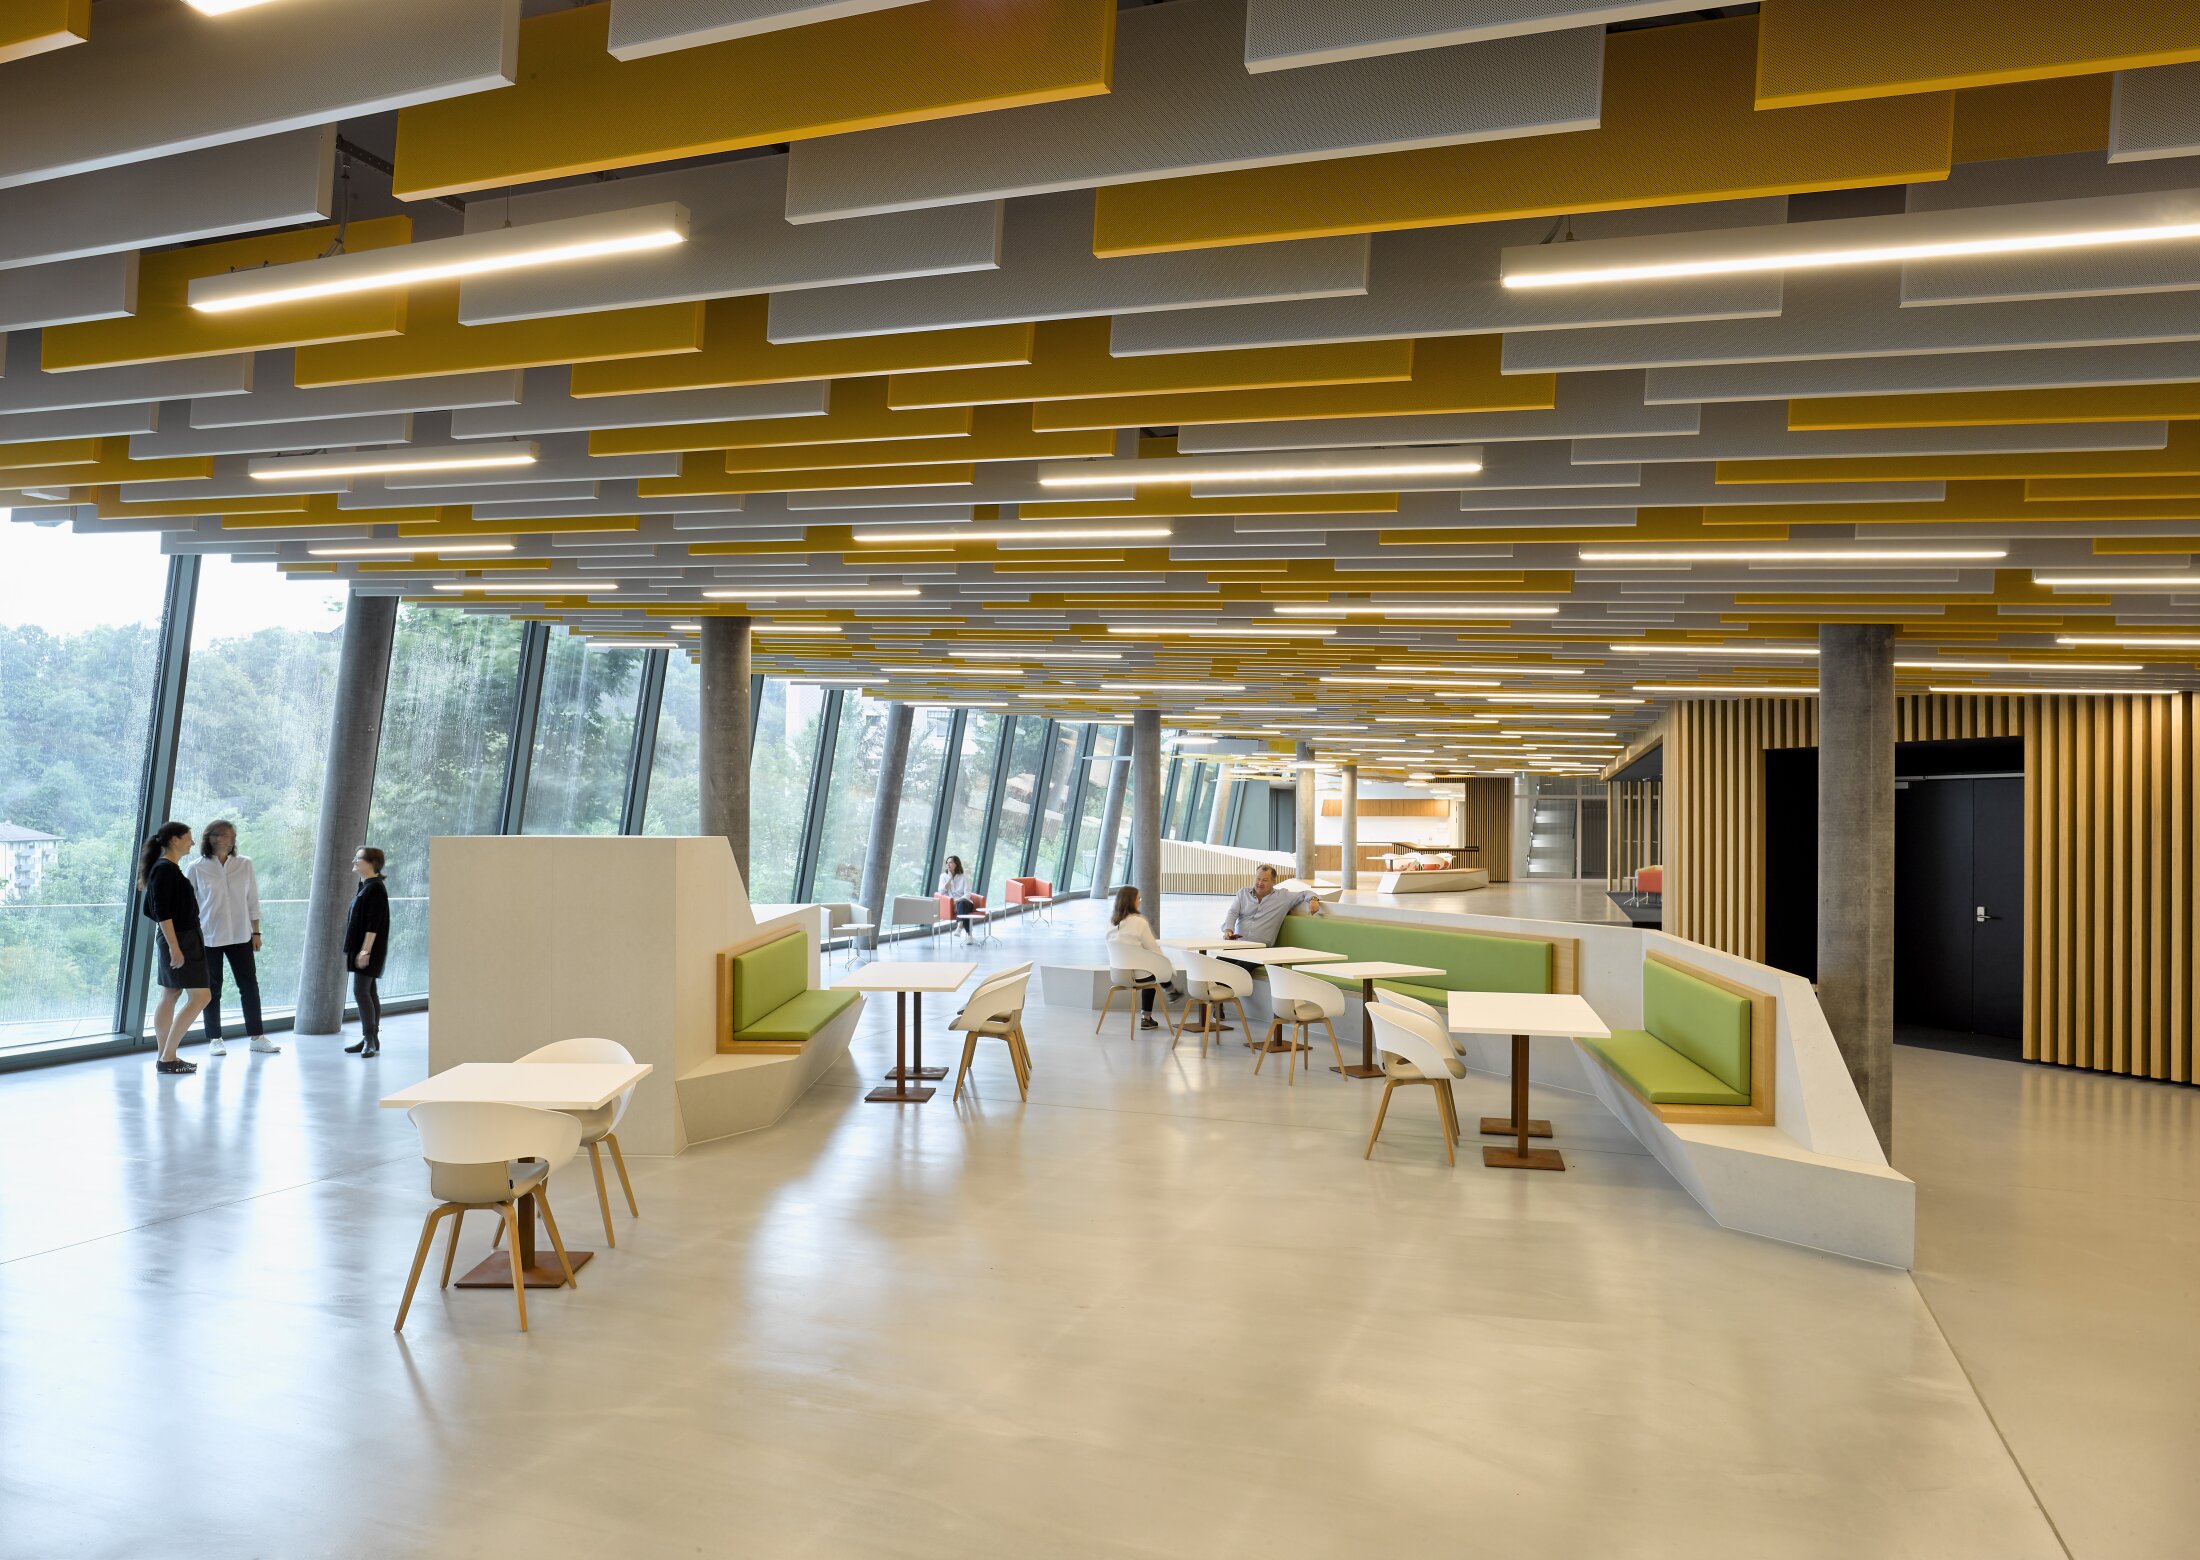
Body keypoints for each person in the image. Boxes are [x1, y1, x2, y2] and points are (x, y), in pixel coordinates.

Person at [187, 820, 278, 1057]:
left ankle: (257, 1037)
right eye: (217, 834)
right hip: (208, 936)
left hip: (240, 934)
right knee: (212, 988)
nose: (222, 839)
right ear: (208, 837)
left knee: (249, 986)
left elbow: (252, 900)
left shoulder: (244, 864)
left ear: (234, 838)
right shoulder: (196, 867)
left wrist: (256, 932)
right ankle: (215, 1038)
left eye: (228, 834)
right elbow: (190, 905)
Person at [138, 821, 211, 1075]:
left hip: (180, 937)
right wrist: (175, 947)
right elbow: (161, 912)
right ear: (175, 840)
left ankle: (165, 1055)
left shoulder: (166, 869)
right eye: (188, 838)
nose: (192, 842)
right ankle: (167, 1057)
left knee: (171, 994)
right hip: (180, 939)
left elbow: (154, 910)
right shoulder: (165, 870)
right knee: (201, 996)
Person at [1106, 884, 1183, 1029]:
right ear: (1131, 901)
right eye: (1138, 898)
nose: (1140, 901)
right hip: (1138, 976)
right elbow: (1153, 948)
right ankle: (1146, 1017)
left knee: (1148, 966)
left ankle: (1170, 991)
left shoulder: (1110, 923)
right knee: (1155, 970)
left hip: (1117, 975)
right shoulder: (1139, 922)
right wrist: (1169, 968)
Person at [341, 846, 390, 1059]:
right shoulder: (366, 886)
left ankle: (369, 1039)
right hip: (362, 947)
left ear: (372, 863)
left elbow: (374, 924)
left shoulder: (375, 888)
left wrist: (365, 951)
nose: (354, 860)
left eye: (358, 858)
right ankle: (371, 1038)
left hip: (368, 949)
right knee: (369, 992)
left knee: (361, 992)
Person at [1220, 863, 1323, 947]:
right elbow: (1232, 912)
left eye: (1265, 880)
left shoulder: (1283, 896)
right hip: (1237, 944)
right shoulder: (1243, 893)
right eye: (1258, 878)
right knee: (1217, 964)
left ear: (1273, 882)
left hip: (1260, 948)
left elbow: (1305, 893)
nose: (1260, 883)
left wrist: (1313, 900)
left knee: (1238, 968)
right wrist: (1228, 930)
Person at [938, 854, 979, 942]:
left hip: (966, 903)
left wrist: (957, 901)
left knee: (962, 903)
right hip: (952, 905)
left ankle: (959, 927)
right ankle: (969, 936)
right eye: (947, 863)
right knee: (964, 911)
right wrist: (949, 879)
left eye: (951, 862)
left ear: (956, 864)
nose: (948, 864)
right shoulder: (943, 876)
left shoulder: (963, 877)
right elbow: (941, 891)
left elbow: (967, 894)